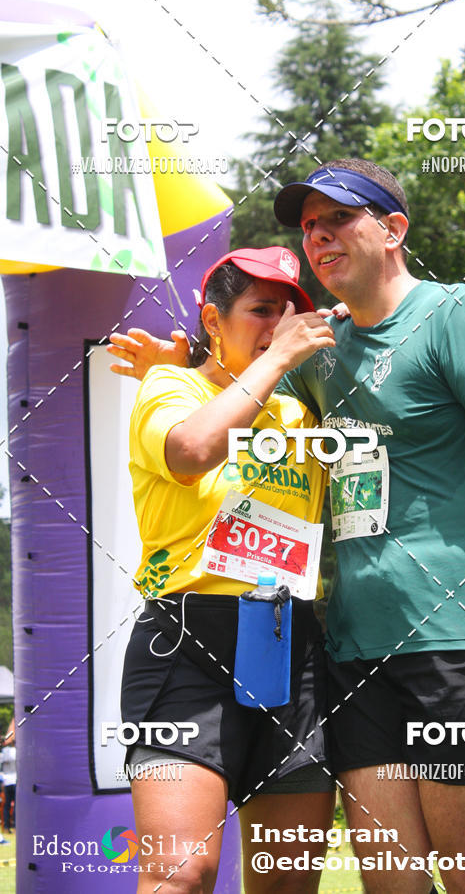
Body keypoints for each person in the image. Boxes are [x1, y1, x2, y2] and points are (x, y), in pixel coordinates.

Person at [113, 160, 465, 894]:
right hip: (351, 654)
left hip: (464, 635)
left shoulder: (455, 314)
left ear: (393, 230)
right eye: (310, 225)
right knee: (388, 880)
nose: (320, 236)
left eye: (340, 219)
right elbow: (220, 406)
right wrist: (185, 360)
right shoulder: (313, 359)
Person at [111, 247, 337, 893]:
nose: (280, 325)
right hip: (184, 644)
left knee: (286, 881)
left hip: (288, 646)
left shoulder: (303, 408)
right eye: (261, 310)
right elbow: (190, 451)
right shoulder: (170, 386)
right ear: (213, 318)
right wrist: (262, 359)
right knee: (181, 871)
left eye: (291, 310)